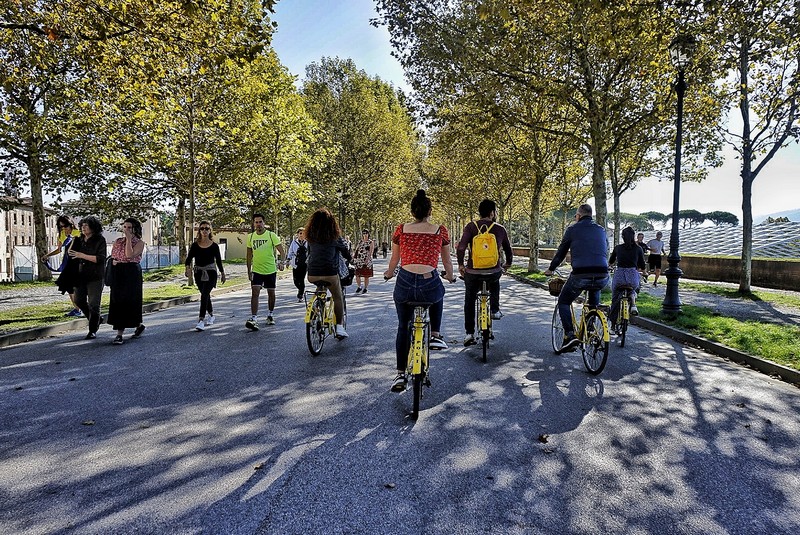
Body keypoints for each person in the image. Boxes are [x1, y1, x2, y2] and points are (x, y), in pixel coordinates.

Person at [384, 190, 455, 393]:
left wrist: (389, 274)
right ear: (429, 211)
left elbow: (394, 260)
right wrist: (449, 276)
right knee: (439, 293)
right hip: (429, 283)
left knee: (402, 327)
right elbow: (447, 261)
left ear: (412, 211)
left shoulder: (400, 230)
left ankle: (400, 374)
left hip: (405, 282)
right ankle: (435, 334)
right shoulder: (440, 230)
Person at [544, 204, 609, 352]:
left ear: (579, 216)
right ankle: (591, 329)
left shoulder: (572, 229)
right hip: (602, 274)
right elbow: (605, 250)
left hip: (581, 273)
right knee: (594, 293)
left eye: (575, 216)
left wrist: (551, 269)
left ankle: (570, 336)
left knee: (564, 301)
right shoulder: (601, 230)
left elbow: (561, 253)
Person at [456, 199, 513, 346]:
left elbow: (461, 248)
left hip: (473, 272)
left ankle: (469, 333)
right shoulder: (500, 228)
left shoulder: (470, 227)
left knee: (469, 299)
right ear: (492, 212)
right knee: (495, 279)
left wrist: (461, 264)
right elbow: (508, 249)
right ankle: (494, 309)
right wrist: (507, 264)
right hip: (493, 271)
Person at [305, 208, 351, 338]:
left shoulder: (310, 237)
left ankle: (315, 313)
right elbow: (346, 253)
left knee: (319, 290)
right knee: (338, 296)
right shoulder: (335, 237)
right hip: (330, 273)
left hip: (312, 273)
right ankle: (340, 327)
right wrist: (350, 259)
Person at [106, 218, 147, 345]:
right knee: (118, 301)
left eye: (130, 227)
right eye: (125, 227)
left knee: (131, 300)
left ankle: (136, 325)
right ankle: (119, 333)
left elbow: (129, 255)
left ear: (135, 229)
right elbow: (113, 257)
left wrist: (129, 239)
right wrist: (114, 262)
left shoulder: (139, 243)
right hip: (118, 272)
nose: (127, 230)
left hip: (132, 272)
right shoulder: (118, 241)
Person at [68, 216, 107, 340]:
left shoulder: (100, 240)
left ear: (93, 227)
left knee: (94, 303)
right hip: (80, 275)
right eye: (82, 226)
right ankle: (96, 319)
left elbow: (100, 259)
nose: (83, 228)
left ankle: (92, 330)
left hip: (95, 275)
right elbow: (71, 254)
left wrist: (81, 255)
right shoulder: (79, 239)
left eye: (86, 225)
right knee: (78, 300)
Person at [245, 214, 285, 330]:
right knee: (255, 292)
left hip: (270, 269)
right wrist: (248, 270)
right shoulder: (250, 237)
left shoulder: (271, 235)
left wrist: (281, 262)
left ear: (264, 223)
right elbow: (248, 255)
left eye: (260, 222)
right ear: (253, 224)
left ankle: (270, 314)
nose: (258, 224)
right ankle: (254, 318)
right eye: (256, 222)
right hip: (257, 270)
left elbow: (281, 252)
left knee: (271, 293)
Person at [185, 221, 226, 331]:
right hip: (198, 273)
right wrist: (187, 269)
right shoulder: (195, 245)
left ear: (210, 230)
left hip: (211, 273)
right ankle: (212, 315)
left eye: (207, 228)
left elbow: (218, 261)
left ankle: (201, 320)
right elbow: (188, 259)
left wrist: (222, 273)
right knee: (205, 295)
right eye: (202, 228)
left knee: (204, 295)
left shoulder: (214, 246)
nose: (204, 230)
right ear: (199, 231)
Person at [42, 215, 83, 317]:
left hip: (77, 263)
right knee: (68, 287)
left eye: (65, 226)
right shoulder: (62, 235)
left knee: (75, 287)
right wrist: (47, 255)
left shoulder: (78, 233)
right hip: (68, 264)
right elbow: (59, 249)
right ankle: (77, 309)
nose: (64, 229)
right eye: (61, 227)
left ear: (70, 224)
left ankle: (81, 308)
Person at [608, 227, 646, 328]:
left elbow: (611, 262)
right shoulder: (638, 249)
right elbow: (642, 264)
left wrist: (609, 266)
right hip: (632, 276)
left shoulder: (618, 248)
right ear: (634, 236)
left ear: (623, 237)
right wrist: (645, 272)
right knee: (635, 288)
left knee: (615, 298)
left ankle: (612, 326)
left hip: (619, 276)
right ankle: (633, 303)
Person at [286, 227, 308, 302]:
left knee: (301, 279)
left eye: (303, 233)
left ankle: (300, 294)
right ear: (297, 234)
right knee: (295, 280)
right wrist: (288, 260)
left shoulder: (308, 242)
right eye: (300, 233)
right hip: (296, 263)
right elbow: (290, 251)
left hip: (304, 264)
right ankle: (301, 289)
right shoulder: (294, 242)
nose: (302, 235)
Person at [354, 229, 375, 294]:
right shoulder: (360, 241)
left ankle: (365, 288)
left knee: (366, 276)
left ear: (368, 234)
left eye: (366, 233)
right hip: (359, 260)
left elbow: (371, 251)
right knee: (357, 274)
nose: (365, 234)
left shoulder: (370, 242)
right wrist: (354, 257)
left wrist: (367, 259)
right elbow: (357, 250)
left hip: (366, 260)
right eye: (363, 233)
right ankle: (359, 286)